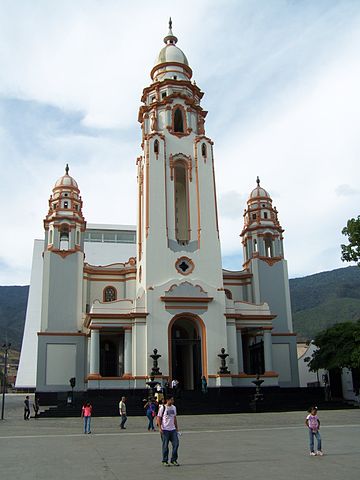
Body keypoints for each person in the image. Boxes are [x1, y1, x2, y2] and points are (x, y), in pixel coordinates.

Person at [157, 396, 180, 467]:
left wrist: (176, 428)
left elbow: (174, 418)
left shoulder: (174, 407)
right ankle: (165, 460)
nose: (173, 401)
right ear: (168, 400)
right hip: (165, 430)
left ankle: (173, 460)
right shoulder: (162, 408)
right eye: (171, 400)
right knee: (165, 445)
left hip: (172, 429)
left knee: (176, 444)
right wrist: (160, 428)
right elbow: (158, 418)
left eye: (173, 400)